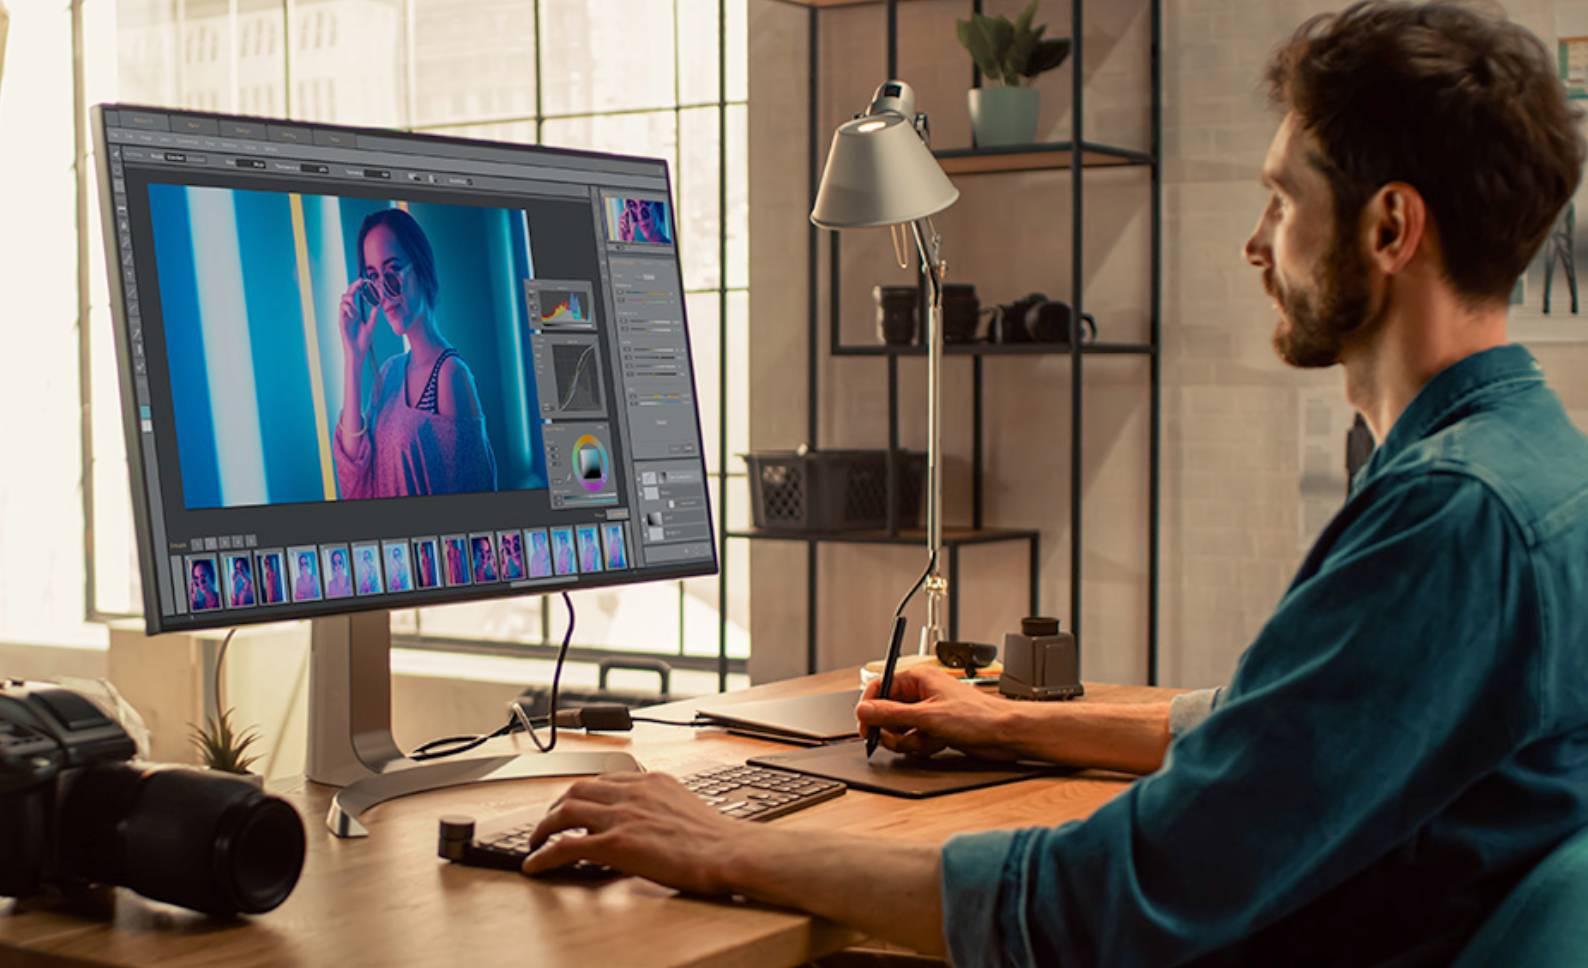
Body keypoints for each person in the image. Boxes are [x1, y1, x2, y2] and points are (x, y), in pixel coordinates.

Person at [520, 5, 1588, 964]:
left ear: (1388, 228)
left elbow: (1105, 903)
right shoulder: (1532, 465)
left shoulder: (1451, 517)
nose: (1254, 245)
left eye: (1279, 198)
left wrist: (725, 846)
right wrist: (1007, 721)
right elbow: (1290, 728)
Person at [333, 208, 496, 500]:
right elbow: (354, 478)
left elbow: (475, 506)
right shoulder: (389, 373)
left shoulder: (450, 376)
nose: (385, 294)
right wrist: (353, 361)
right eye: (373, 280)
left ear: (419, 267)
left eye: (392, 273)